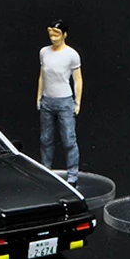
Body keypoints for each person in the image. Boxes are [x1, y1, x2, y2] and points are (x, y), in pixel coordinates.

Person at [36, 19, 83, 185]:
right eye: (51, 34)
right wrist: (39, 97)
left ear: (64, 35)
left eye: (57, 34)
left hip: (65, 102)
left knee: (69, 140)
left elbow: (78, 80)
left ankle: (73, 175)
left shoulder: (72, 55)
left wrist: (77, 102)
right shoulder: (44, 52)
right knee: (45, 139)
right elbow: (42, 76)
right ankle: (46, 170)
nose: (53, 37)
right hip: (47, 101)